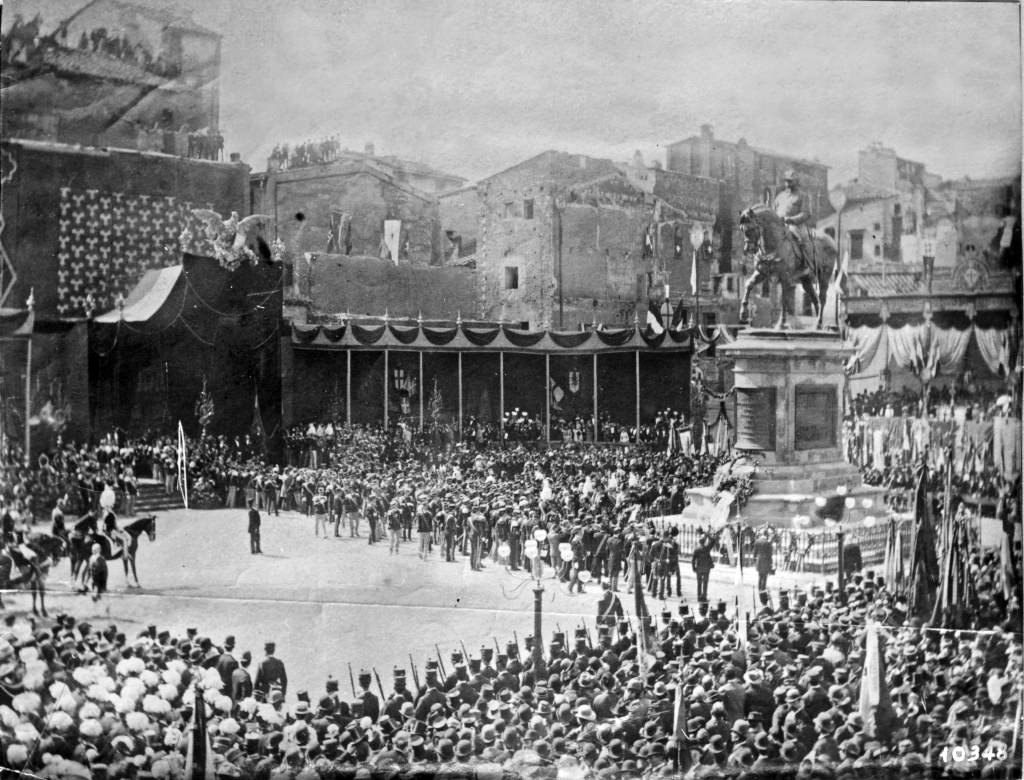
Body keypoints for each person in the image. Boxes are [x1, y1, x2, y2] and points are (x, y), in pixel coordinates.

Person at [772, 169, 815, 280]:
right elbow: (773, 211)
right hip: (780, 226)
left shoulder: (802, 196)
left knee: (803, 240)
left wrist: (791, 219)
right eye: (786, 181)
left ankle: (806, 266)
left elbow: (806, 213)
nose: (788, 183)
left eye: (791, 181)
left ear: (796, 181)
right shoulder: (780, 196)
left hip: (796, 226)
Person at [692, 534, 715, 603]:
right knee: (705, 583)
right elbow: (713, 541)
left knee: (699, 583)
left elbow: (693, 560)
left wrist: (693, 568)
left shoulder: (696, 549)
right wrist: (708, 535)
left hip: (699, 568)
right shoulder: (707, 548)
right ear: (705, 541)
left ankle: (699, 597)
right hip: (706, 568)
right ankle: (704, 597)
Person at [753, 529, 774, 594]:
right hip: (766, 561)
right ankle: (762, 590)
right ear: (767, 535)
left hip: (759, 560)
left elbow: (754, 553)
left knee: (760, 576)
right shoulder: (768, 543)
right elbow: (770, 554)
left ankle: (759, 589)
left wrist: (755, 561)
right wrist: (771, 563)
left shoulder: (757, 541)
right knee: (764, 577)